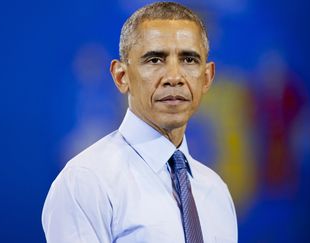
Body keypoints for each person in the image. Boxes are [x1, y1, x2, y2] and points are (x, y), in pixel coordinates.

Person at [42, 2, 238, 242]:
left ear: (207, 77)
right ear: (121, 77)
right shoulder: (86, 181)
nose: (174, 77)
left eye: (189, 60)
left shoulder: (216, 191)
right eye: (155, 60)